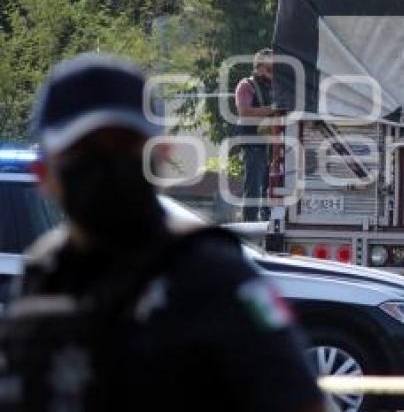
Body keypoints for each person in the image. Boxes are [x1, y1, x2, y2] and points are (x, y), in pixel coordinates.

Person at [0, 54, 324, 412]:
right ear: (42, 172)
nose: (107, 167)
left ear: (161, 155)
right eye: (85, 152)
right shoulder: (42, 279)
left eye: (125, 148)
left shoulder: (214, 276)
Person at [235, 48, 277, 221]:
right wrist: (272, 110)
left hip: (271, 144)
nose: (272, 73)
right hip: (253, 143)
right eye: (269, 68)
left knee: (271, 186)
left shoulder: (274, 88)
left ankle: (268, 220)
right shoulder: (246, 85)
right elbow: (244, 111)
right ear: (258, 67)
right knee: (254, 186)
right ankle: (249, 224)